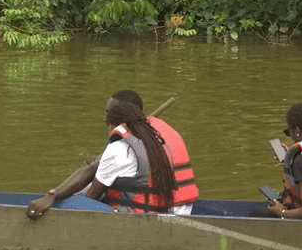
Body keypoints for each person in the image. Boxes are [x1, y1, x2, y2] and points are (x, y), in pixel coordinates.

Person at [26, 90, 198, 218]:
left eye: (108, 115)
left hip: (147, 215)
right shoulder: (166, 132)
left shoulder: (120, 148)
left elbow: (91, 196)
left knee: (69, 201)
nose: (104, 119)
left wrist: (52, 197)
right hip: (181, 208)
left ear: (115, 122)